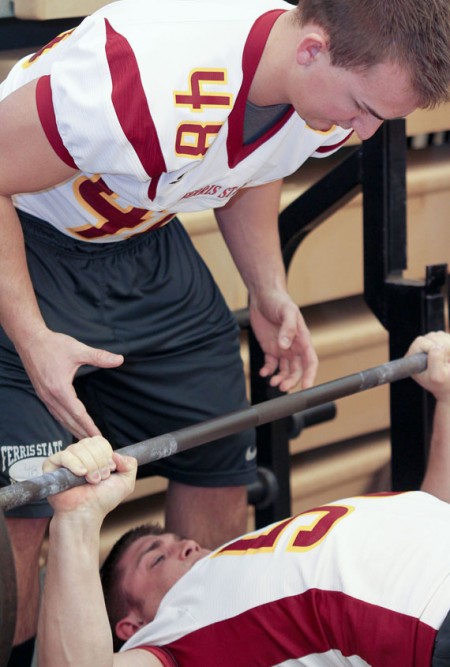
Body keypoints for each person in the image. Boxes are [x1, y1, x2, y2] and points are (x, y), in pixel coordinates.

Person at [1, 0, 450, 664]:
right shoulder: (138, 77)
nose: (362, 134)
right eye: (361, 110)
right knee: (28, 504)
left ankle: (183, 643)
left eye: (379, 119)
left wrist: (267, 284)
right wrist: (32, 335)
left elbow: (254, 162)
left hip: (146, 240)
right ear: (311, 49)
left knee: (218, 449)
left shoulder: (330, 91)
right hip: (25, 237)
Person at [36, 330, 450, 667]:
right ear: (132, 626)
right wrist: (77, 519)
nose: (186, 545)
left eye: (176, 539)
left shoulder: (246, 569)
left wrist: (446, 399)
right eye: (155, 557)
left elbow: (436, 506)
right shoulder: (171, 642)